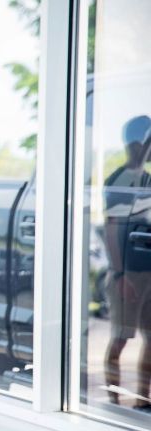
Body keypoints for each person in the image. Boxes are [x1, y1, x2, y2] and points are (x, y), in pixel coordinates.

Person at [103, 115, 151, 410]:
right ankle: (112, 400)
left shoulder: (148, 180)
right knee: (121, 338)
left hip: (149, 271)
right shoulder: (119, 180)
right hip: (128, 273)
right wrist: (120, 274)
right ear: (137, 143)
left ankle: (142, 400)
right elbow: (112, 228)